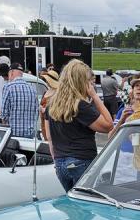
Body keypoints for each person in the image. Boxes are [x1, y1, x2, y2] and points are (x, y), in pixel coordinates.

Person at [43, 59, 113, 190]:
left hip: (60, 161)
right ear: (80, 81)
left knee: (70, 206)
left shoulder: (51, 105)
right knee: (83, 207)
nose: (91, 84)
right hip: (81, 160)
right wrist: (95, 96)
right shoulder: (80, 106)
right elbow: (108, 125)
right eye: (89, 81)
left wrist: (57, 159)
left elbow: (49, 137)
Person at [0, 62, 40, 138]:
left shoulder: (8, 87)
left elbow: (4, 114)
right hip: (29, 133)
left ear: (11, 73)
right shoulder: (32, 89)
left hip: (13, 133)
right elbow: (36, 112)